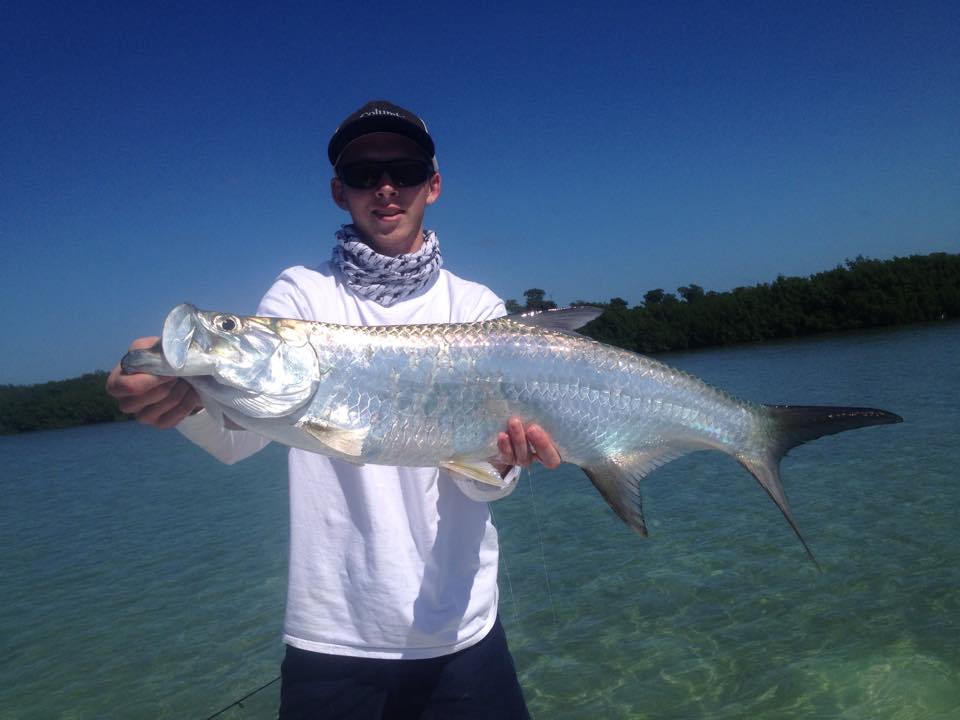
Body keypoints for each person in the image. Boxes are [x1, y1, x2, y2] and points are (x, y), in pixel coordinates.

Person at [106, 100, 561, 719]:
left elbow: (483, 485)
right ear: (337, 192)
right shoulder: (300, 295)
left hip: (462, 630)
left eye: (402, 169)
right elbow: (244, 435)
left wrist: (505, 463)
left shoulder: (477, 309)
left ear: (434, 184)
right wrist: (183, 402)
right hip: (331, 638)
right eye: (361, 175)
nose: (385, 188)